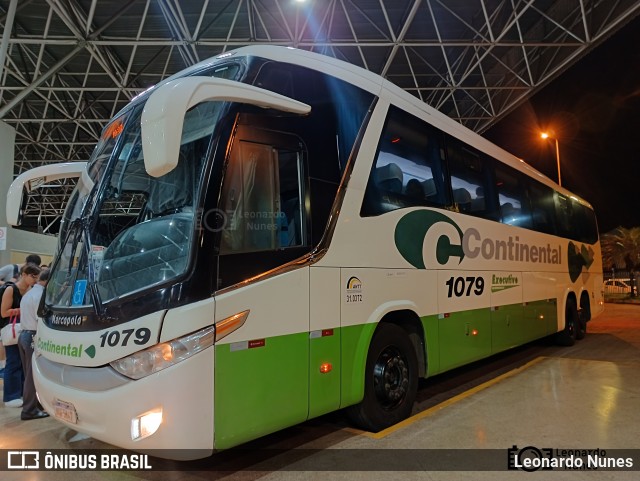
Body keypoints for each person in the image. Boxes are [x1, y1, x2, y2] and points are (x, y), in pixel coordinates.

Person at [1, 263, 41, 407]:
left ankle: (22, 393)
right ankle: (10, 396)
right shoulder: (11, 289)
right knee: (13, 362)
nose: (34, 280)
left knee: (25, 364)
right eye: (32, 276)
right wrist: (23, 309)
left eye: (37, 277)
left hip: (25, 328)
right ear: (24, 274)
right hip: (12, 328)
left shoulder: (31, 289)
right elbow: (4, 312)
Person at [18, 268, 50, 420]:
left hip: (24, 335)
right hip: (32, 336)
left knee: (28, 374)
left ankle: (33, 405)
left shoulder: (29, 293)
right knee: (32, 376)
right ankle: (29, 410)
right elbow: (40, 320)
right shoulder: (39, 295)